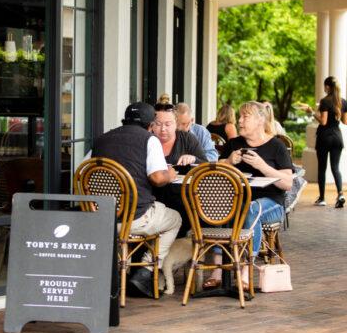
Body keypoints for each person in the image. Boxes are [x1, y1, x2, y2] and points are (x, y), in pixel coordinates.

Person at [90, 102, 181, 297]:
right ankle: (145, 271)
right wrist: (170, 174)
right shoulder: (149, 140)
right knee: (175, 219)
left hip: (101, 219)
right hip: (134, 219)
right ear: (151, 125)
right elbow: (157, 178)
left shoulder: (100, 140)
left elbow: (80, 173)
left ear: (125, 120)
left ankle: (117, 269)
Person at [204, 101, 293, 289]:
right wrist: (229, 161)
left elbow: (287, 183)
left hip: (271, 203)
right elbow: (214, 173)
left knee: (251, 209)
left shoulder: (276, 145)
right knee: (222, 206)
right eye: (240, 116)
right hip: (238, 201)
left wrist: (262, 166)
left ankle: (246, 268)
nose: (240, 121)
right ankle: (219, 268)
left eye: (245, 117)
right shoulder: (234, 144)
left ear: (260, 120)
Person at [151, 102, 208, 237]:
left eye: (168, 124)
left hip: (183, 200)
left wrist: (193, 159)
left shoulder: (187, 139)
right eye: (158, 124)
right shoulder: (147, 140)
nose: (163, 129)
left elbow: (205, 166)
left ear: (176, 124)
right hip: (153, 197)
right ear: (151, 125)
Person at [304, 76, 347, 208]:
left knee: (322, 168)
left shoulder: (325, 101)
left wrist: (312, 112)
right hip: (337, 137)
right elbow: (345, 122)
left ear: (327, 87)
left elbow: (323, 121)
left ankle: (322, 198)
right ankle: (340, 194)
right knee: (335, 167)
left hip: (324, 137)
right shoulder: (343, 101)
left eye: (324, 86)